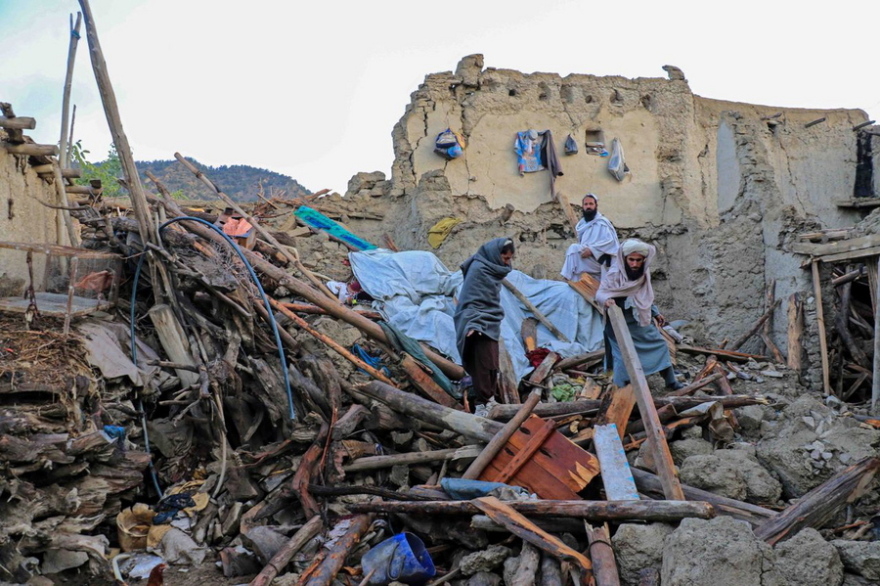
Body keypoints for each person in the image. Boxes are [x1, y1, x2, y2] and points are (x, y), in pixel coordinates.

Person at [595, 239, 684, 390]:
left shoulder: (643, 273)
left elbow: (643, 295)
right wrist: (607, 300)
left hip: (639, 320)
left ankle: (670, 382)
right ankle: (620, 389)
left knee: (660, 345)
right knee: (623, 357)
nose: (635, 264)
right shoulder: (614, 274)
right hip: (618, 322)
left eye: (638, 260)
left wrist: (655, 313)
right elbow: (600, 294)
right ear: (624, 259)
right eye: (631, 260)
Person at [454, 237, 515, 404]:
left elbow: (490, 301)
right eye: (505, 258)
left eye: (509, 259)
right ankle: (484, 403)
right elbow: (472, 301)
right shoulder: (479, 270)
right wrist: (473, 323)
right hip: (477, 326)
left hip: (489, 323)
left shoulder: (492, 271)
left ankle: (490, 399)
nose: (507, 263)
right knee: (482, 364)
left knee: (492, 364)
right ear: (496, 255)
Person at [560, 193, 619, 282]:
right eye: (586, 204)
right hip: (587, 258)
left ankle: (566, 278)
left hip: (600, 261)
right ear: (583, 206)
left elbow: (611, 243)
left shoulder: (602, 223)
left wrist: (592, 250)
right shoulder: (582, 224)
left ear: (596, 206)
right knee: (574, 253)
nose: (588, 207)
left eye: (591, 204)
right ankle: (571, 281)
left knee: (573, 248)